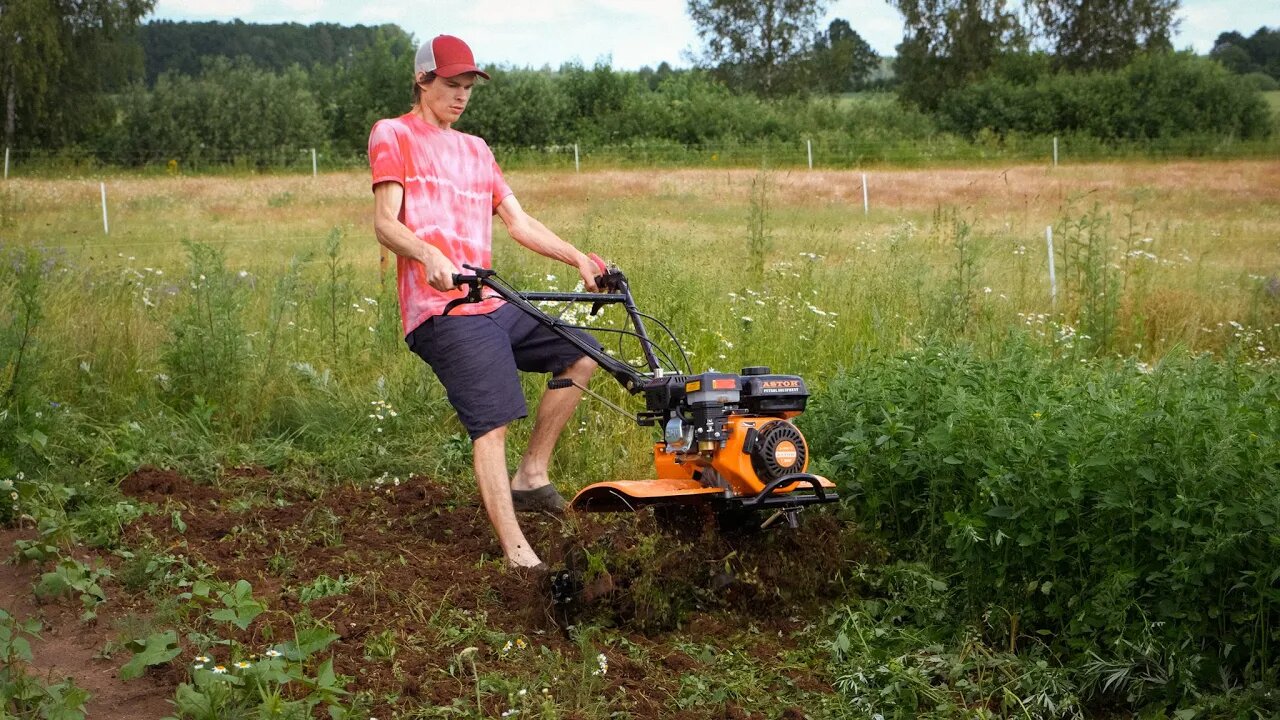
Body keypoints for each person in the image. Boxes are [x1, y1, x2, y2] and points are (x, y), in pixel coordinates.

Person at [368, 34, 601, 570]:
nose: (461, 96)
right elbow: (385, 223)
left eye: (468, 86)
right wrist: (426, 253)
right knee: (492, 421)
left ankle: (531, 475)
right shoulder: (393, 135)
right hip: (441, 309)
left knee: (582, 351)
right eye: (452, 85)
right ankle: (519, 554)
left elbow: (518, 222)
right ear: (423, 80)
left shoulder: (477, 150)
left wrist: (577, 258)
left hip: (490, 301)